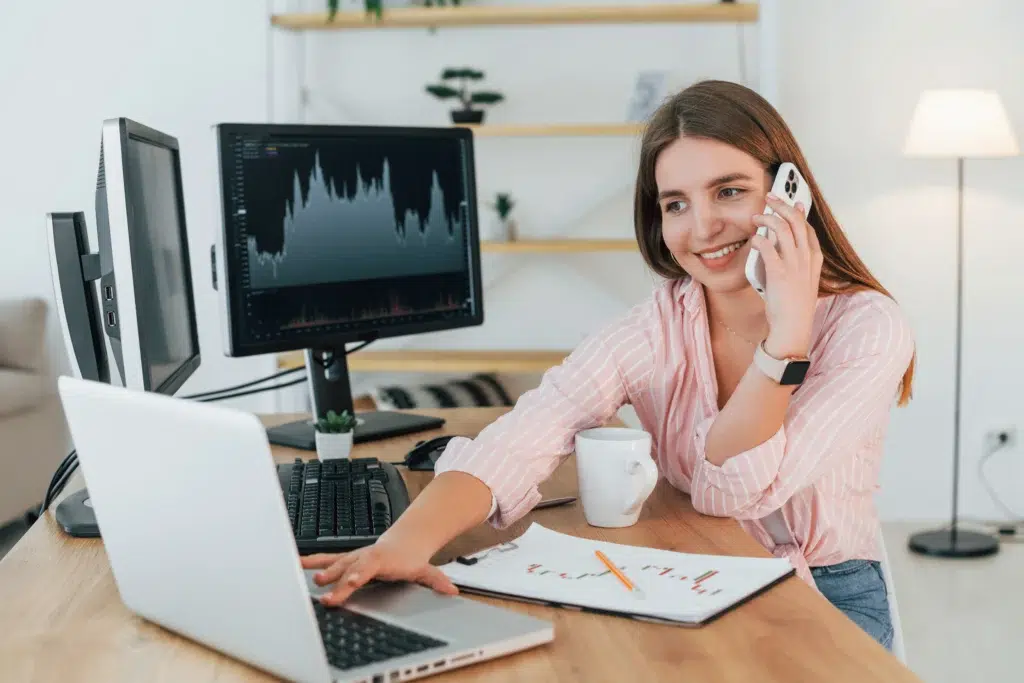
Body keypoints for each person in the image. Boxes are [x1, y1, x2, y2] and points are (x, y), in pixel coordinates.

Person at [302, 79, 916, 652]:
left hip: (830, 593)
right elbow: (527, 432)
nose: (702, 227)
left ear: (788, 193)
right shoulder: (654, 328)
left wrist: (786, 338)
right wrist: (401, 544)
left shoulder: (868, 328)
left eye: (729, 191)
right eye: (675, 203)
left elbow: (737, 488)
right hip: (698, 571)